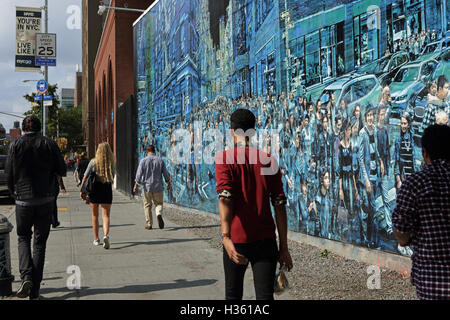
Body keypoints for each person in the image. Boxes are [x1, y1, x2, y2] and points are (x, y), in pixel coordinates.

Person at [215, 108, 293, 300]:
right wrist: (284, 247)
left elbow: (225, 198)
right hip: (265, 239)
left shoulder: (224, 160)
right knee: (265, 296)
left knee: (233, 295)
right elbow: (279, 205)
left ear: (232, 131)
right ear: (253, 132)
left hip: (237, 239)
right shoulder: (268, 161)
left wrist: (225, 236)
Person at [6, 115, 66, 300]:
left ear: (23, 129)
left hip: (23, 200)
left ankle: (26, 277)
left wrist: (13, 193)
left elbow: (9, 173)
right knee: (39, 244)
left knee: (23, 237)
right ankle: (35, 291)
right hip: (45, 200)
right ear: (39, 128)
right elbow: (62, 169)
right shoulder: (49, 143)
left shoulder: (15, 145)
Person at [392, 124, 450, 300]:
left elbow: (401, 236)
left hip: (432, 282)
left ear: (425, 152)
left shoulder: (414, 184)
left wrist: (412, 237)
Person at [80, 142, 116, 249]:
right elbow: (112, 176)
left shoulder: (93, 162)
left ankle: (96, 239)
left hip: (94, 189)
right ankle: (106, 235)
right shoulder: (111, 162)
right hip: (106, 189)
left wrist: (82, 190)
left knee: (94, 215)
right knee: (106, 215)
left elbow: (85, 177)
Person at [133, 145, 171, 230]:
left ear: (147, 151)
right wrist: (168, 182)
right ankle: (158, 214)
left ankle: (149, 224)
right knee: (159, 204)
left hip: (147, 187)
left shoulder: (143, 161)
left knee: (147, 205)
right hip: (158, 187)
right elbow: (165, 173)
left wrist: (136, 185)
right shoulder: (160, 160)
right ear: (155, 151)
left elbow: (138, 175)